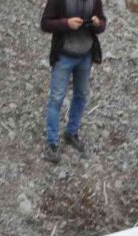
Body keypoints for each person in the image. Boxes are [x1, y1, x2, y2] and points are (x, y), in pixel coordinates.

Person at [41, 0, 107, 164]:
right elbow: (45, 23)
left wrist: (97, 24)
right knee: (56, 98)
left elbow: (103, 23)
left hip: (86, 55)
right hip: (63, 56)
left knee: (81, 95)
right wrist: (66, 24)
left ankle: (72, 132)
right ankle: (52, 143)